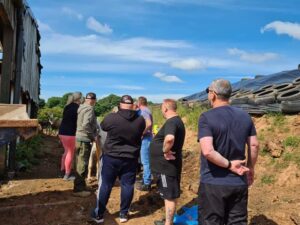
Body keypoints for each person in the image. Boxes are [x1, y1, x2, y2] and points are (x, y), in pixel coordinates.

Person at [198, 79, 259, 225]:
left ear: (212, 95)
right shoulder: (245, 116)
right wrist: (250, 168)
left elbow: (208, 151)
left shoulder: (206, 117)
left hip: (213, 182)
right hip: (238, 182)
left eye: (208, 92)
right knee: (237, 221)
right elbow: (254, 145)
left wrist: (229, 165)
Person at [91, 95, 145, 224]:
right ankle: (123, 214)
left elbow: (103, 126)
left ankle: (99, 214)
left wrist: (114, 114)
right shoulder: (140, 120)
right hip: (130, 158)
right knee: (127, 186)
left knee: (105, 185)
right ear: (132, 105)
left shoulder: (112, 117)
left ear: (120, 105)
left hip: (111, 157)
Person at [150, 99, 186, 225]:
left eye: (161, 108)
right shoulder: (176, 121)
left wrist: (165, 151)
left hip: (166, 168)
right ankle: (168, 221)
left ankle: (168, 223)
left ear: (165, 108)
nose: (161, 111)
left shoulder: (172, 121)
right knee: (170, 194)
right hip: (167, 167)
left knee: (169, 196)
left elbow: (170, 139)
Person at [73, 92, 98, 197]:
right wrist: (93, 136)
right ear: (94, 100)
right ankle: (79, 190)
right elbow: (86, 125)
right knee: (82, 164)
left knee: (78, 163)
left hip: (78, 138)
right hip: (84, 139)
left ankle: (81, 185)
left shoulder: (81, 107)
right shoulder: (90, 109)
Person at [58, 92, 82, 181]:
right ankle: (67, 175)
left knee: (66, 152)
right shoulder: (78, 108)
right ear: (79, 99)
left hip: (61, 132)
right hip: (70, 133)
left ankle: (62, 171)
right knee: (70, 154)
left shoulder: (67, 106)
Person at [136, 96, 153, 191]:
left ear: (139, 103)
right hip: (147, 138)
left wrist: (142, 133)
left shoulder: (144, 111)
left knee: (145, 161)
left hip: (146, 139)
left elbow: (149, 123)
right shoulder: (147, 110)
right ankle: (145, 180)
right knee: (145, 161)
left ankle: (147, 183)